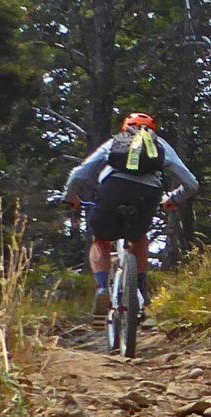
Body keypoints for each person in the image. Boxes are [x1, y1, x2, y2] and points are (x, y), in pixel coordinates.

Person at [61, 113, 201, 312]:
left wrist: (70, 197)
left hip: (113, 189)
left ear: (125, 128)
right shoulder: (160, 145)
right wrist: (172, 199)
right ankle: (141, 292)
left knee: (100, 239)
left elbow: (79, 173)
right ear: (153, 129)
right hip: (147, 194)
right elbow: (191, 184)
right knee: (139, 238)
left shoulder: (115, 142)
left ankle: (101, 288)